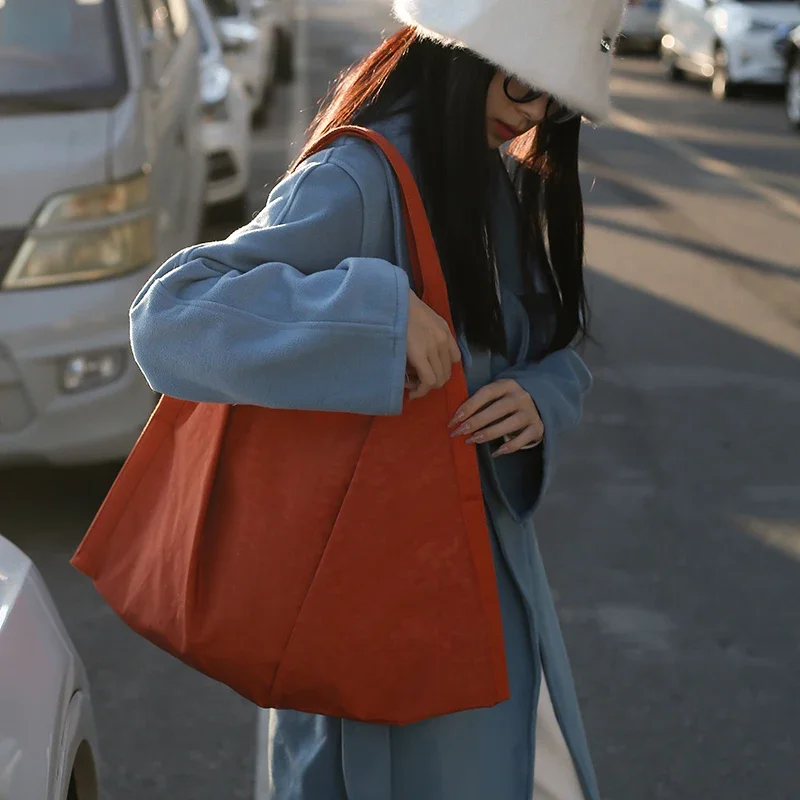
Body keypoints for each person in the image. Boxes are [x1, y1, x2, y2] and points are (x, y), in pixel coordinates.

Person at [129, 0, 625, 797]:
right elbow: (170, 318)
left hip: (472, 588)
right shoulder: (358, 178)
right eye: (529, 90)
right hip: (369, 592)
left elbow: (549, 349)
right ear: (464, 57)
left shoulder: (482, 174)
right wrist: (376, 316)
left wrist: (541, 398)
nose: (534, 117)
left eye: (555, 105)